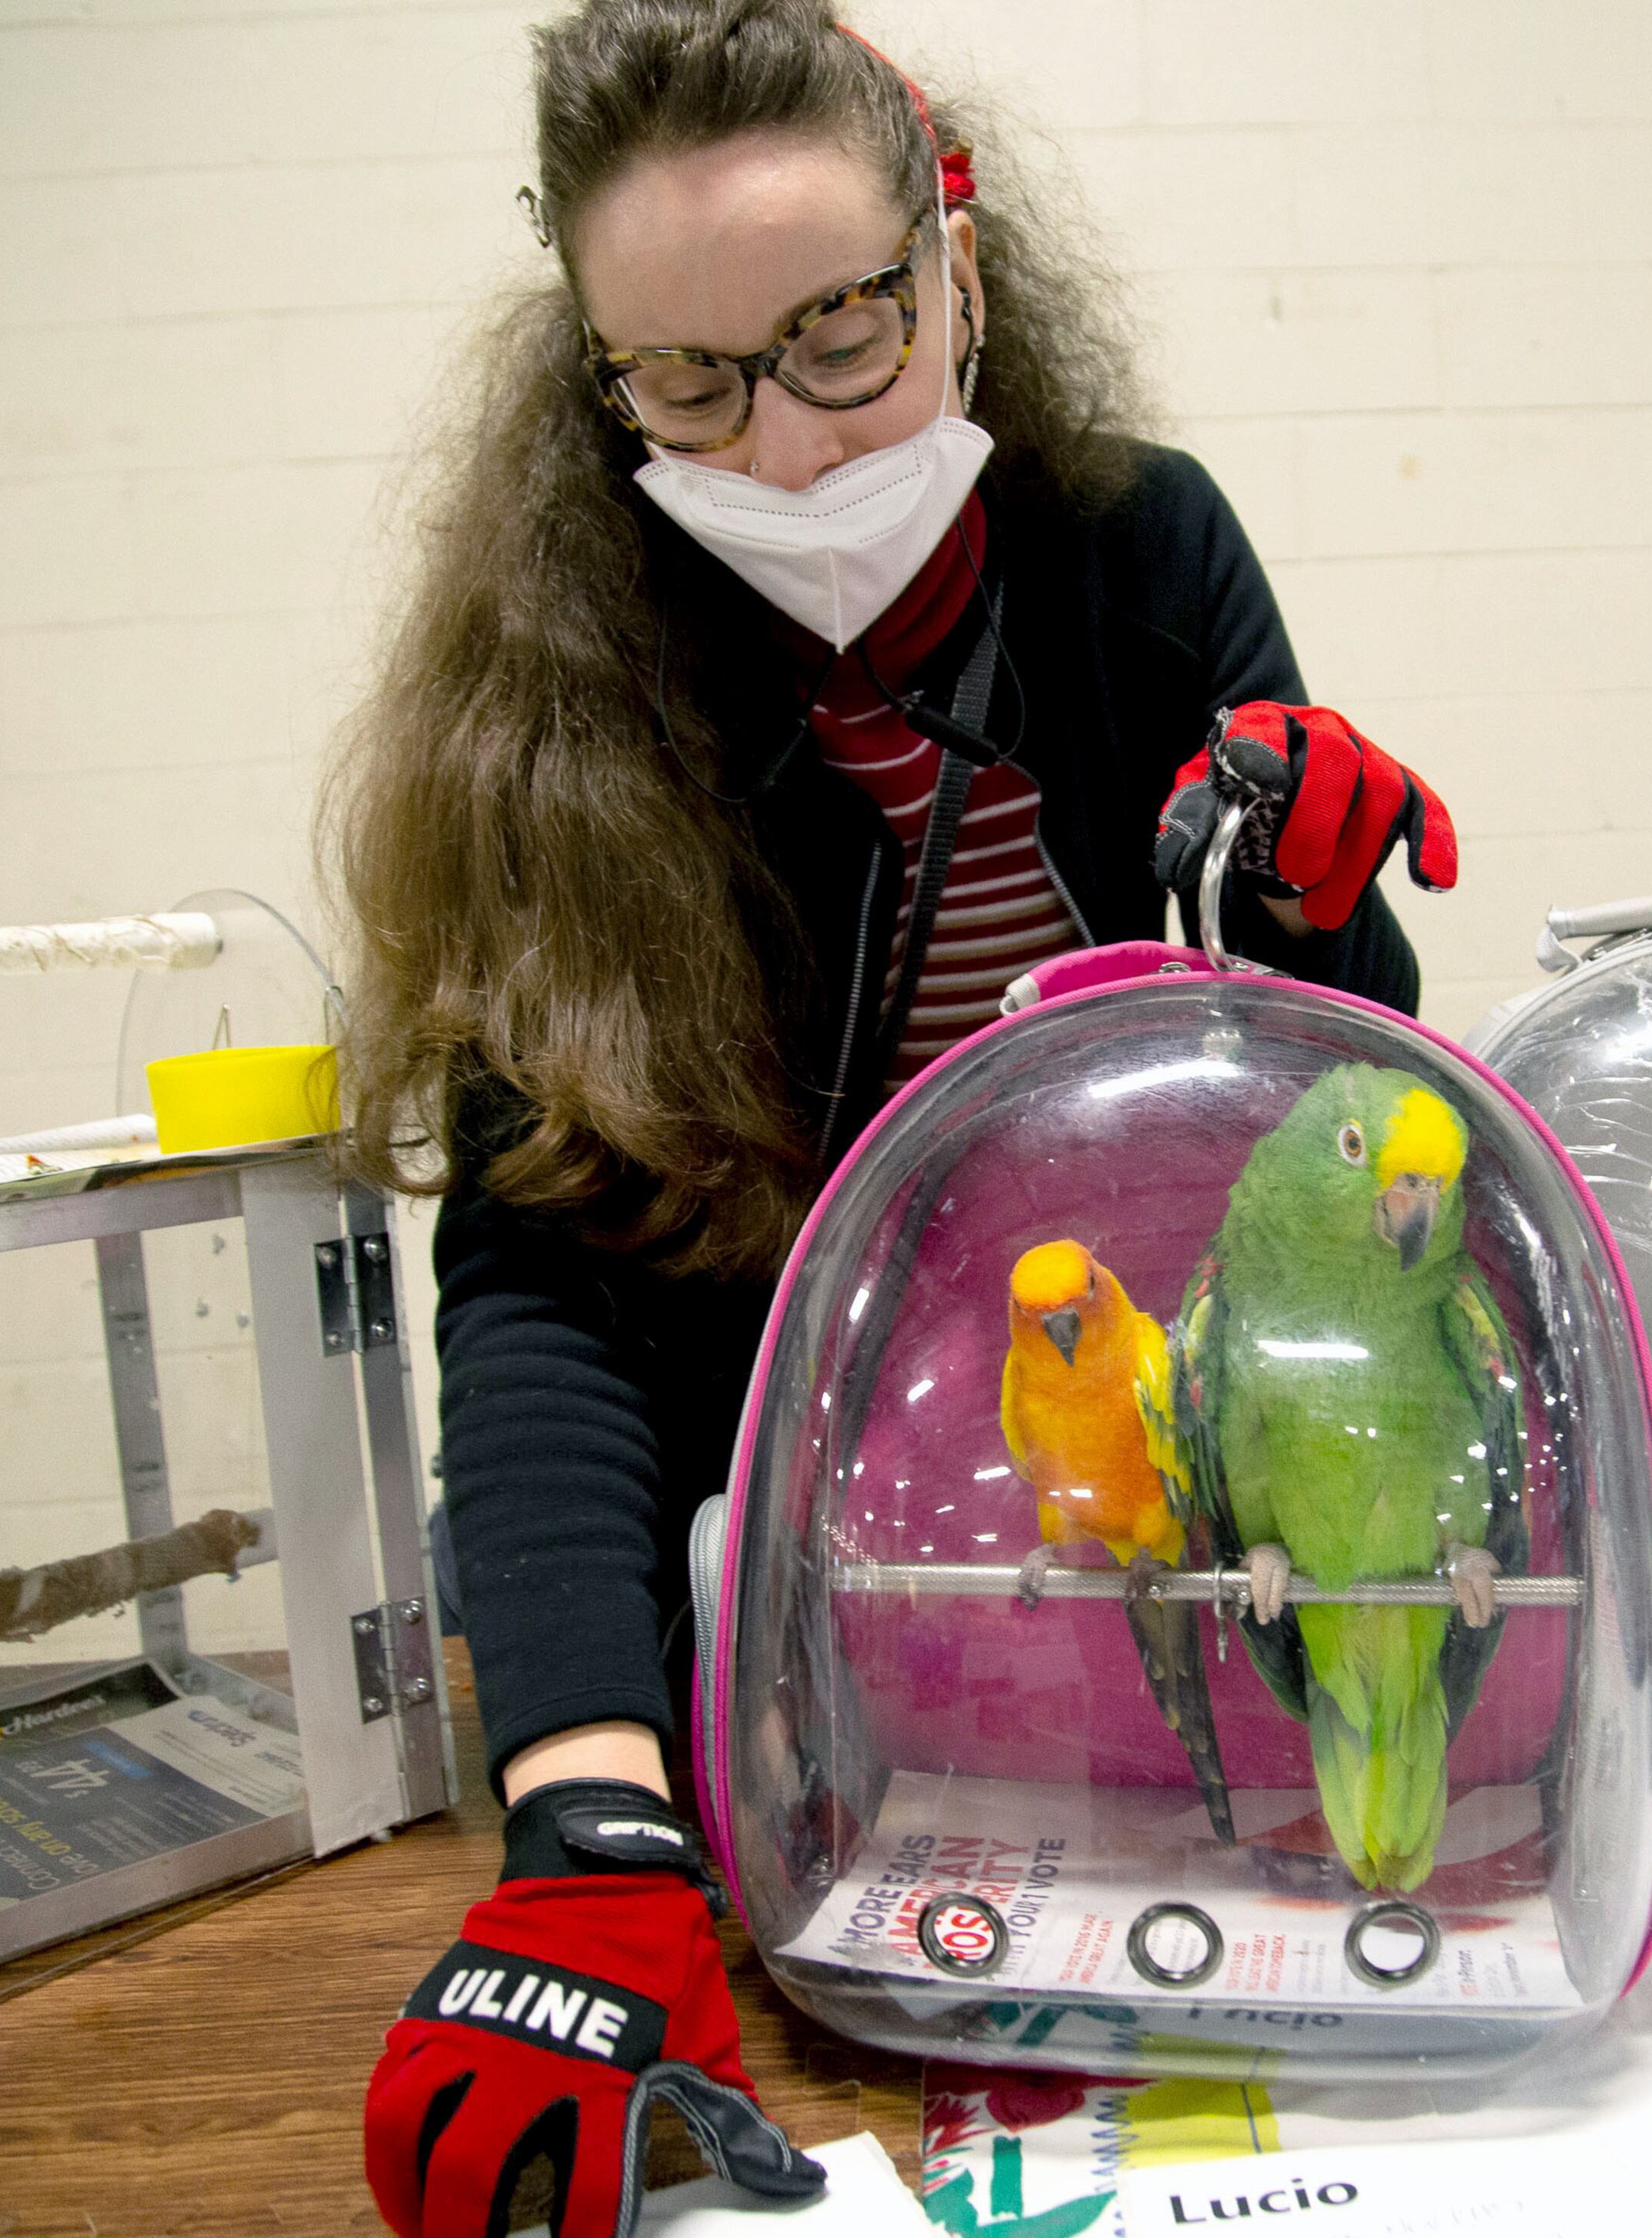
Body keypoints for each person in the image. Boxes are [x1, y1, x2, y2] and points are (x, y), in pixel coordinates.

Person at [330, 4, 1455, 2227]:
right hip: (823, 1585)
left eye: (841, 330)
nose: (779, 445)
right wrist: (586, 1817)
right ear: (604, 383)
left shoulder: (1142, 554)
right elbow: (547, 1282)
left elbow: (1312, 1104)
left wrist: (1325, 921)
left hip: (1177, 1477)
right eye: (686, 380)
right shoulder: (567, 700)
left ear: (960, 260)